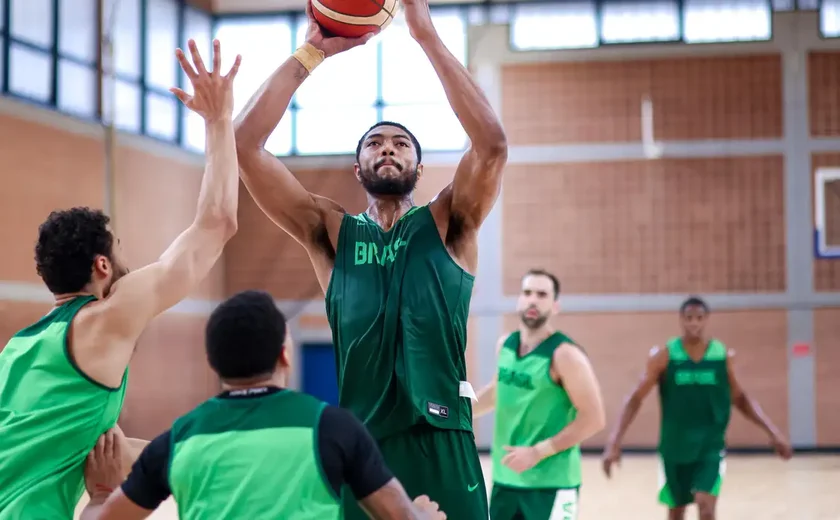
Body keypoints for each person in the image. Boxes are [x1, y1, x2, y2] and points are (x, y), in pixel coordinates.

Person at [233, 0, 507, 518]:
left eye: (401, 144)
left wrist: (424, 34)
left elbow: (491, 145)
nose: (388, 149)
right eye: (375, 144)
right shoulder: (330, 231)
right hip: (363, 447)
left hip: (444, 438)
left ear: (419, 169)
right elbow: (245, 146)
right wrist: (311, 53)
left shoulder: (450, 223)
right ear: (358, 170)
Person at [0, 39, 241, 518]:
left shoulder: (18, 350)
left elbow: (103, 448)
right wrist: (218, 122)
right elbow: (217, 224)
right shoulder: (104, 319)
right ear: (102, 266)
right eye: (120, 252)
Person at [78, 290, 447, 520]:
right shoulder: (332, 428)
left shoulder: (177, 440)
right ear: (285, 355)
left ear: (214, 363)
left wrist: (100, 495)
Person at [601, 296, 793, 520]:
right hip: (674, 447)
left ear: (706, 320)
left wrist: (773, 432)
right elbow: (635, 399)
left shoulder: (720, 355)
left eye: (699, 318)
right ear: (681, 320)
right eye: (689, 318)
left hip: (710, 446)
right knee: (676, 512)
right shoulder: (665, 356)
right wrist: (614, 442)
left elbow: (740, 399)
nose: (694, 323)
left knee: (706, 507)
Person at [473, 269, 606, 520]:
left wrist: (537, 452)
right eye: (527, 293)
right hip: (506, 480)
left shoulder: (565, 354)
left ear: (555, 306)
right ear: (519, 300)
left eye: (542, 294)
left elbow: (594, 418)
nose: (533, 300)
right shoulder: (506, 345)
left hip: (551, 484)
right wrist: (458, 412)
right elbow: (498, 392)